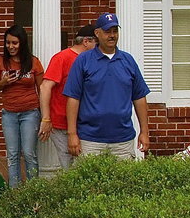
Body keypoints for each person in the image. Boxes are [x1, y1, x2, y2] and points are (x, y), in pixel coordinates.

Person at [63, 13, 150, 160]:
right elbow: (73, 98)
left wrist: (144, 131)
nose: (112, 35)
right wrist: (72, 134)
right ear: (97, 33)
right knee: (89, 183)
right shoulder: (83, 61)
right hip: (90, 140)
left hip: (123, 140)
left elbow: (139, 97)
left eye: (115, 31)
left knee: (123, 183)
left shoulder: (128, 61)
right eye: (107, 31)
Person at [0, 24, 45, 188]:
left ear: (22, 43)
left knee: (29, 153)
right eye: (8, 43)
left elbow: (42, 89)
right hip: (9, 114)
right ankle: (14, 191)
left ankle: (32, 191)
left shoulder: (34, 62)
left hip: (30, 113)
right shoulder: (1, 62)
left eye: (14, 43)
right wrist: (4, 81)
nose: (11, 46)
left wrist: (45, 116)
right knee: (13, 154)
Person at [38, 25, 96, 171]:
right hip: (62, 123)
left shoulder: (94, 60)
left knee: (84, 166)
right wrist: (46, 118)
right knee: (70, 167)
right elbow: (45, 87)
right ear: (86, 41)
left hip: (86, 123)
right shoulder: (62, 58)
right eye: (97, 42)